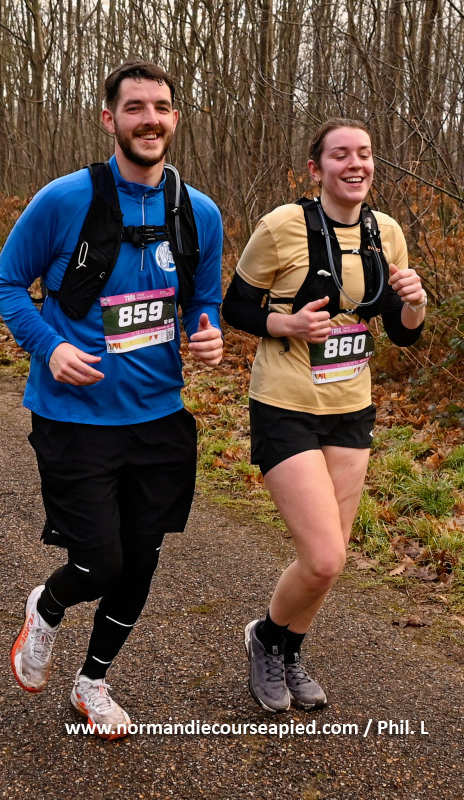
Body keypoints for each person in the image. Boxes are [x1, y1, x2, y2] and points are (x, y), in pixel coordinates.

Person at [0, 61, 223, 739]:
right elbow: (7, 284)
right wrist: (49, 347)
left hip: (160, 418)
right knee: (100, 561)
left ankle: (92, 681)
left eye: (161, 107)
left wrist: (207, 333)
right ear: (109, 119)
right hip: (74, 417)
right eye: (134, 107)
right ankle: (48, 605)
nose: (150, 119)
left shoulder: (198, 211)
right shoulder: (65, 199)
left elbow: (203, 299)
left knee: (141, 561)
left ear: (175, 118)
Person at [222, 118, 426, 713]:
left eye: (364, 153)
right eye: (340, 155)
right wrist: (286, 323)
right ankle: (265, 637)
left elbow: (403, 333)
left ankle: (287, 650)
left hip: (350, 408)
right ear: (316, 169)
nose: (355, 164)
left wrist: (415, 304)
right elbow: (236, 306)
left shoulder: (386, 232)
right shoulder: (280, 226)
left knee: (328, 561)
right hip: (285, 404)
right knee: (326, 555)